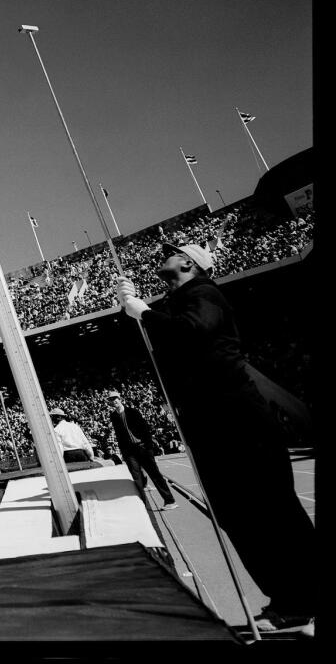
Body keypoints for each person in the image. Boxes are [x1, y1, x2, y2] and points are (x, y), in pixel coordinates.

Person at [116, 242, 316, 635]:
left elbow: (192, 333)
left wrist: (143, 311)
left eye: (172, 252)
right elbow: (170, 339)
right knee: (238, 515)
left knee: (272, 510)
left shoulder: (205, 293)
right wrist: (133, 307)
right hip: (213, 421)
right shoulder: (179, 300)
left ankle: (306, 595)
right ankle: (290, 599)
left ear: (188, 263)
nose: (164, 256)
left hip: (236, 418)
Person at [104, 391, 177, 509]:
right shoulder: (113, 416)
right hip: (129, 451)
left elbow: (145, 428)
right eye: (111, 400)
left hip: (142, 447)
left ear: (120, 398)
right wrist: (124, 452)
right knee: (136, 478)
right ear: (110, 402)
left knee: (155, 474)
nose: (114, 401)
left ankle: (170, 501)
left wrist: (148, 446)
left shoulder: (133, 412)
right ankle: (142, 505)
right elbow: (118, 435)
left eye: (115, 398)